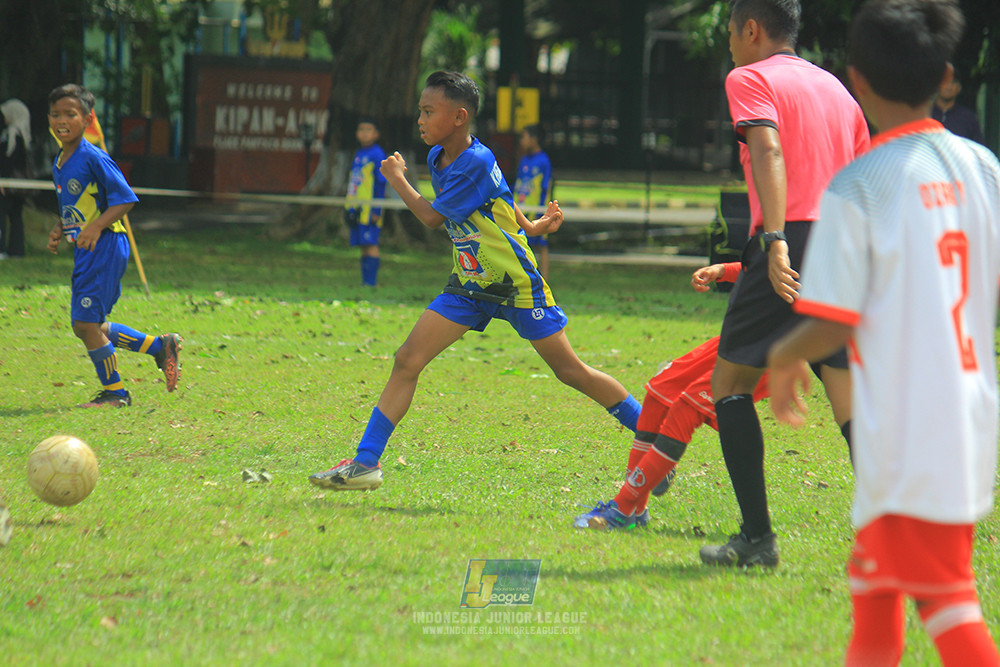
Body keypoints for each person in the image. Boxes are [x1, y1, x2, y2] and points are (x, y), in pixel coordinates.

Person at [768, 1, 1000, 664]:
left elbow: (835, 317)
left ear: (856, 81)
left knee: (949, 604)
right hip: (964, 412)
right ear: (947, 75)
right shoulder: (983, 168)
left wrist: (783, 355)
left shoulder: (862, 184)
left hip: (910, 428)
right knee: (874, 586)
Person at [309, 71, 641, 491]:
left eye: (429, 112)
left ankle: (654, 435)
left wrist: (396, 180)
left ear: (459, 117)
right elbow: (500, 200)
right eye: (420, 111)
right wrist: (534, 226)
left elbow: (432, 217)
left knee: (571, 372)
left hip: (516, 285)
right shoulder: (438, 158)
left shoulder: (477, 160)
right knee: (407, 359)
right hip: (470, 284)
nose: (420, 120)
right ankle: (365, 463)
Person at [700, 0, 870, 568]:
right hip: (843, 236)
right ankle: (897, 533)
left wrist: (775, 240)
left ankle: (757, 539)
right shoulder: (839, 91)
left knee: (730, 382)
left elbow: (767, 147)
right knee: (844, 391)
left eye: (730, 32)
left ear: (751, 29)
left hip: (789, 235)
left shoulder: (748, 76)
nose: (729, 44)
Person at [574, 262, 770, 530]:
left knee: (688, 406)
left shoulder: (798, 224)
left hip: (769, 337)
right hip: (739, 332)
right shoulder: (772, 226)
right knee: (660, 389)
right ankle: (636, 511)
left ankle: (623, 506)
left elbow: (794, 265)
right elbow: (764, 262)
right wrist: (725, 270)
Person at [46, 83, 182, 408]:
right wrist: (59, 227)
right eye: (55, 114)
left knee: (85, 324)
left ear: (87, 118)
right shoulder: (61, 161)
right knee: (91, 324)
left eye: (70, 113)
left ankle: (116, 393)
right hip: (88, 248)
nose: (61, 120)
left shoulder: (94, 156)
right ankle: (158, 347)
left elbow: (125, 200)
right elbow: (76, 206)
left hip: (106, 244)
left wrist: (95, 227)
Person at [345, 118, 388, 287]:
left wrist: (377, 209)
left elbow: (380, 182)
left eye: (368, 129)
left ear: (376, 134)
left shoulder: (377, 154)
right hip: (357, 207)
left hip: (369, 209)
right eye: (361, 129)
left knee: (371, 243)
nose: (364, 133)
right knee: (362, 244)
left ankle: (371, 282)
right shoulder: (359, 153)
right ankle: (364, 281)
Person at [513, 124, 553, 279]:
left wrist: (542, 210)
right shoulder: (523, 159)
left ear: (534, 139)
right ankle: (525, 277)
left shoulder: (543, 161)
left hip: (537, 208)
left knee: (541, 244)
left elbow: (545, 186)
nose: (522, 141)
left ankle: (544, 279)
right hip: (522, 208)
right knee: (522, 242)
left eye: (524, 137)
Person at [0, 98, 31, 259]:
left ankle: (2, 249)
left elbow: (7, 160)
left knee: (2, 214)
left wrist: (2, 179)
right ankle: (17, 250)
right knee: (16, 217)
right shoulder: (25, 134)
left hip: (8, 183)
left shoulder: (12, 134)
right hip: (19, 185)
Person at [931, 69, 986, 145]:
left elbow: (978, 148)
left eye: (953, 83)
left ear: (959, 88)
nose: (949, 87)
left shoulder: (968, 118)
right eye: (945, 82)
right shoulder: (925, 114)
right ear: (937, 86)